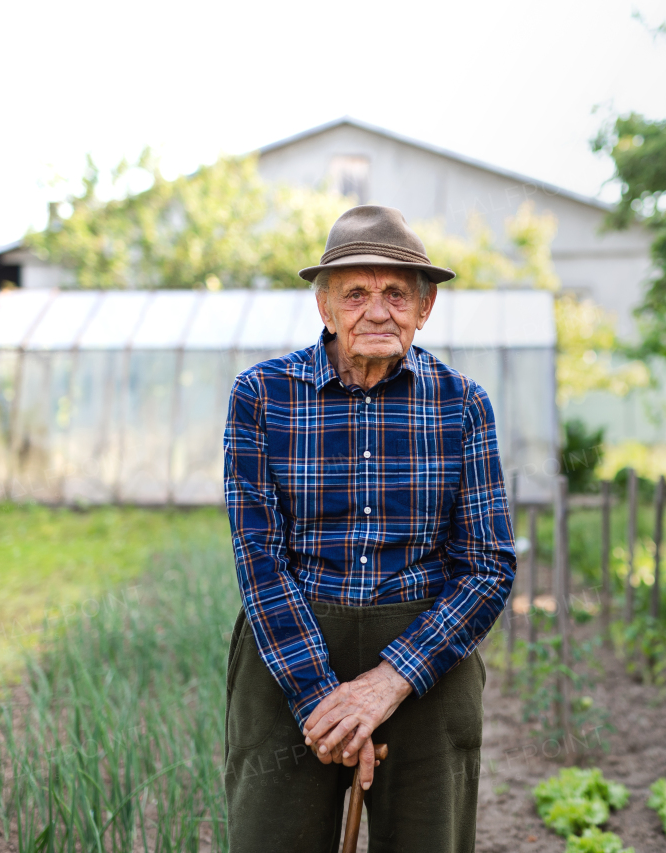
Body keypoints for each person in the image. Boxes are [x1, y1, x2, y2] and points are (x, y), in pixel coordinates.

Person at [222, 204, 517, 852]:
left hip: (427, 665)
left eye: (395, 292)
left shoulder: (462, 404)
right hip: (289, 657)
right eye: (356, 292)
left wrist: (386, 684)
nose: (377, 309)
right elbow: (258, 556)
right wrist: (322, 702)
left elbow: (488, 566)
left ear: (425, 305)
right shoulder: (262, 396)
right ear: (325, 306)